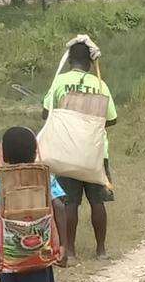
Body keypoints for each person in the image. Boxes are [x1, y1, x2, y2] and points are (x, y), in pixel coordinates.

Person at [42, 41, 117, 260]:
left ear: (70, 60)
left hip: (66, 153)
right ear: (90, 62)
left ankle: (71, 250)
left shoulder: (59, 82)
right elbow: (111, 118)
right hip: (95, 153)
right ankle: (101, 250)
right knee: (97, 201)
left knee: (69, 202)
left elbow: (46, 114)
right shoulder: (100, 84)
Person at [0, 126, 68, 282]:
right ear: (35, 153)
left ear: (4, 154)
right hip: (41, 254)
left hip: (10, 256)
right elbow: (60, 208)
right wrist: (63, 245)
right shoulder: (46, 178)